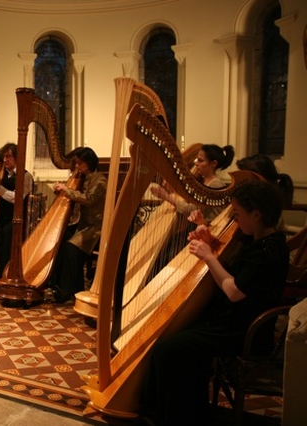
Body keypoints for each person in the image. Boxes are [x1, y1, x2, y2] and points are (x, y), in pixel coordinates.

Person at [140, 179, 289, 426]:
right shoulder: (258, 241)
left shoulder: (269, 250)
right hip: (231, 319)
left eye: (238, 214)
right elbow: (238, 275)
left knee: (170, 348)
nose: (236, 220)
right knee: (175, 342)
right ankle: (181, 412)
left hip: (245, 329)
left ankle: (173, 416)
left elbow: (234, 291)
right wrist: (210, 243)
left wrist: (209, 256)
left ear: (257, 214)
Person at [49, 147, 107, 303]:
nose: (76, 167)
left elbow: (89, 199)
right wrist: (61, 190)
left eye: (79, 163)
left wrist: (67, 191)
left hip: (96, 227)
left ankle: (71, 289)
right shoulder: (83, 177)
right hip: (83, 224)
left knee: (71, 247)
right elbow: (75, 193)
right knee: (60, 240)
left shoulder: (100, 181)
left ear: (88, 163)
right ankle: (56, 283)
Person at [0, 142, 33, 279]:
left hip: (16, 220)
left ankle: (6, 275)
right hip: (1, 216)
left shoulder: (26, 177)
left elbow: (16, 199)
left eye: (8, 157)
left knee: (6, 236)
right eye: (4, 157)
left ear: (17, 158)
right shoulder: (2, 174)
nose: (5, 160)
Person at [150, 144, 235, 226]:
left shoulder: (216, 184)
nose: (196, 163)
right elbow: (191, 199)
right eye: (197, 160)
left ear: (213, 164)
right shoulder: (204, 181)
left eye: (200, 160)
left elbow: (190, 209)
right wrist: (173, 190)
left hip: (210, 229)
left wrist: (166, 196)